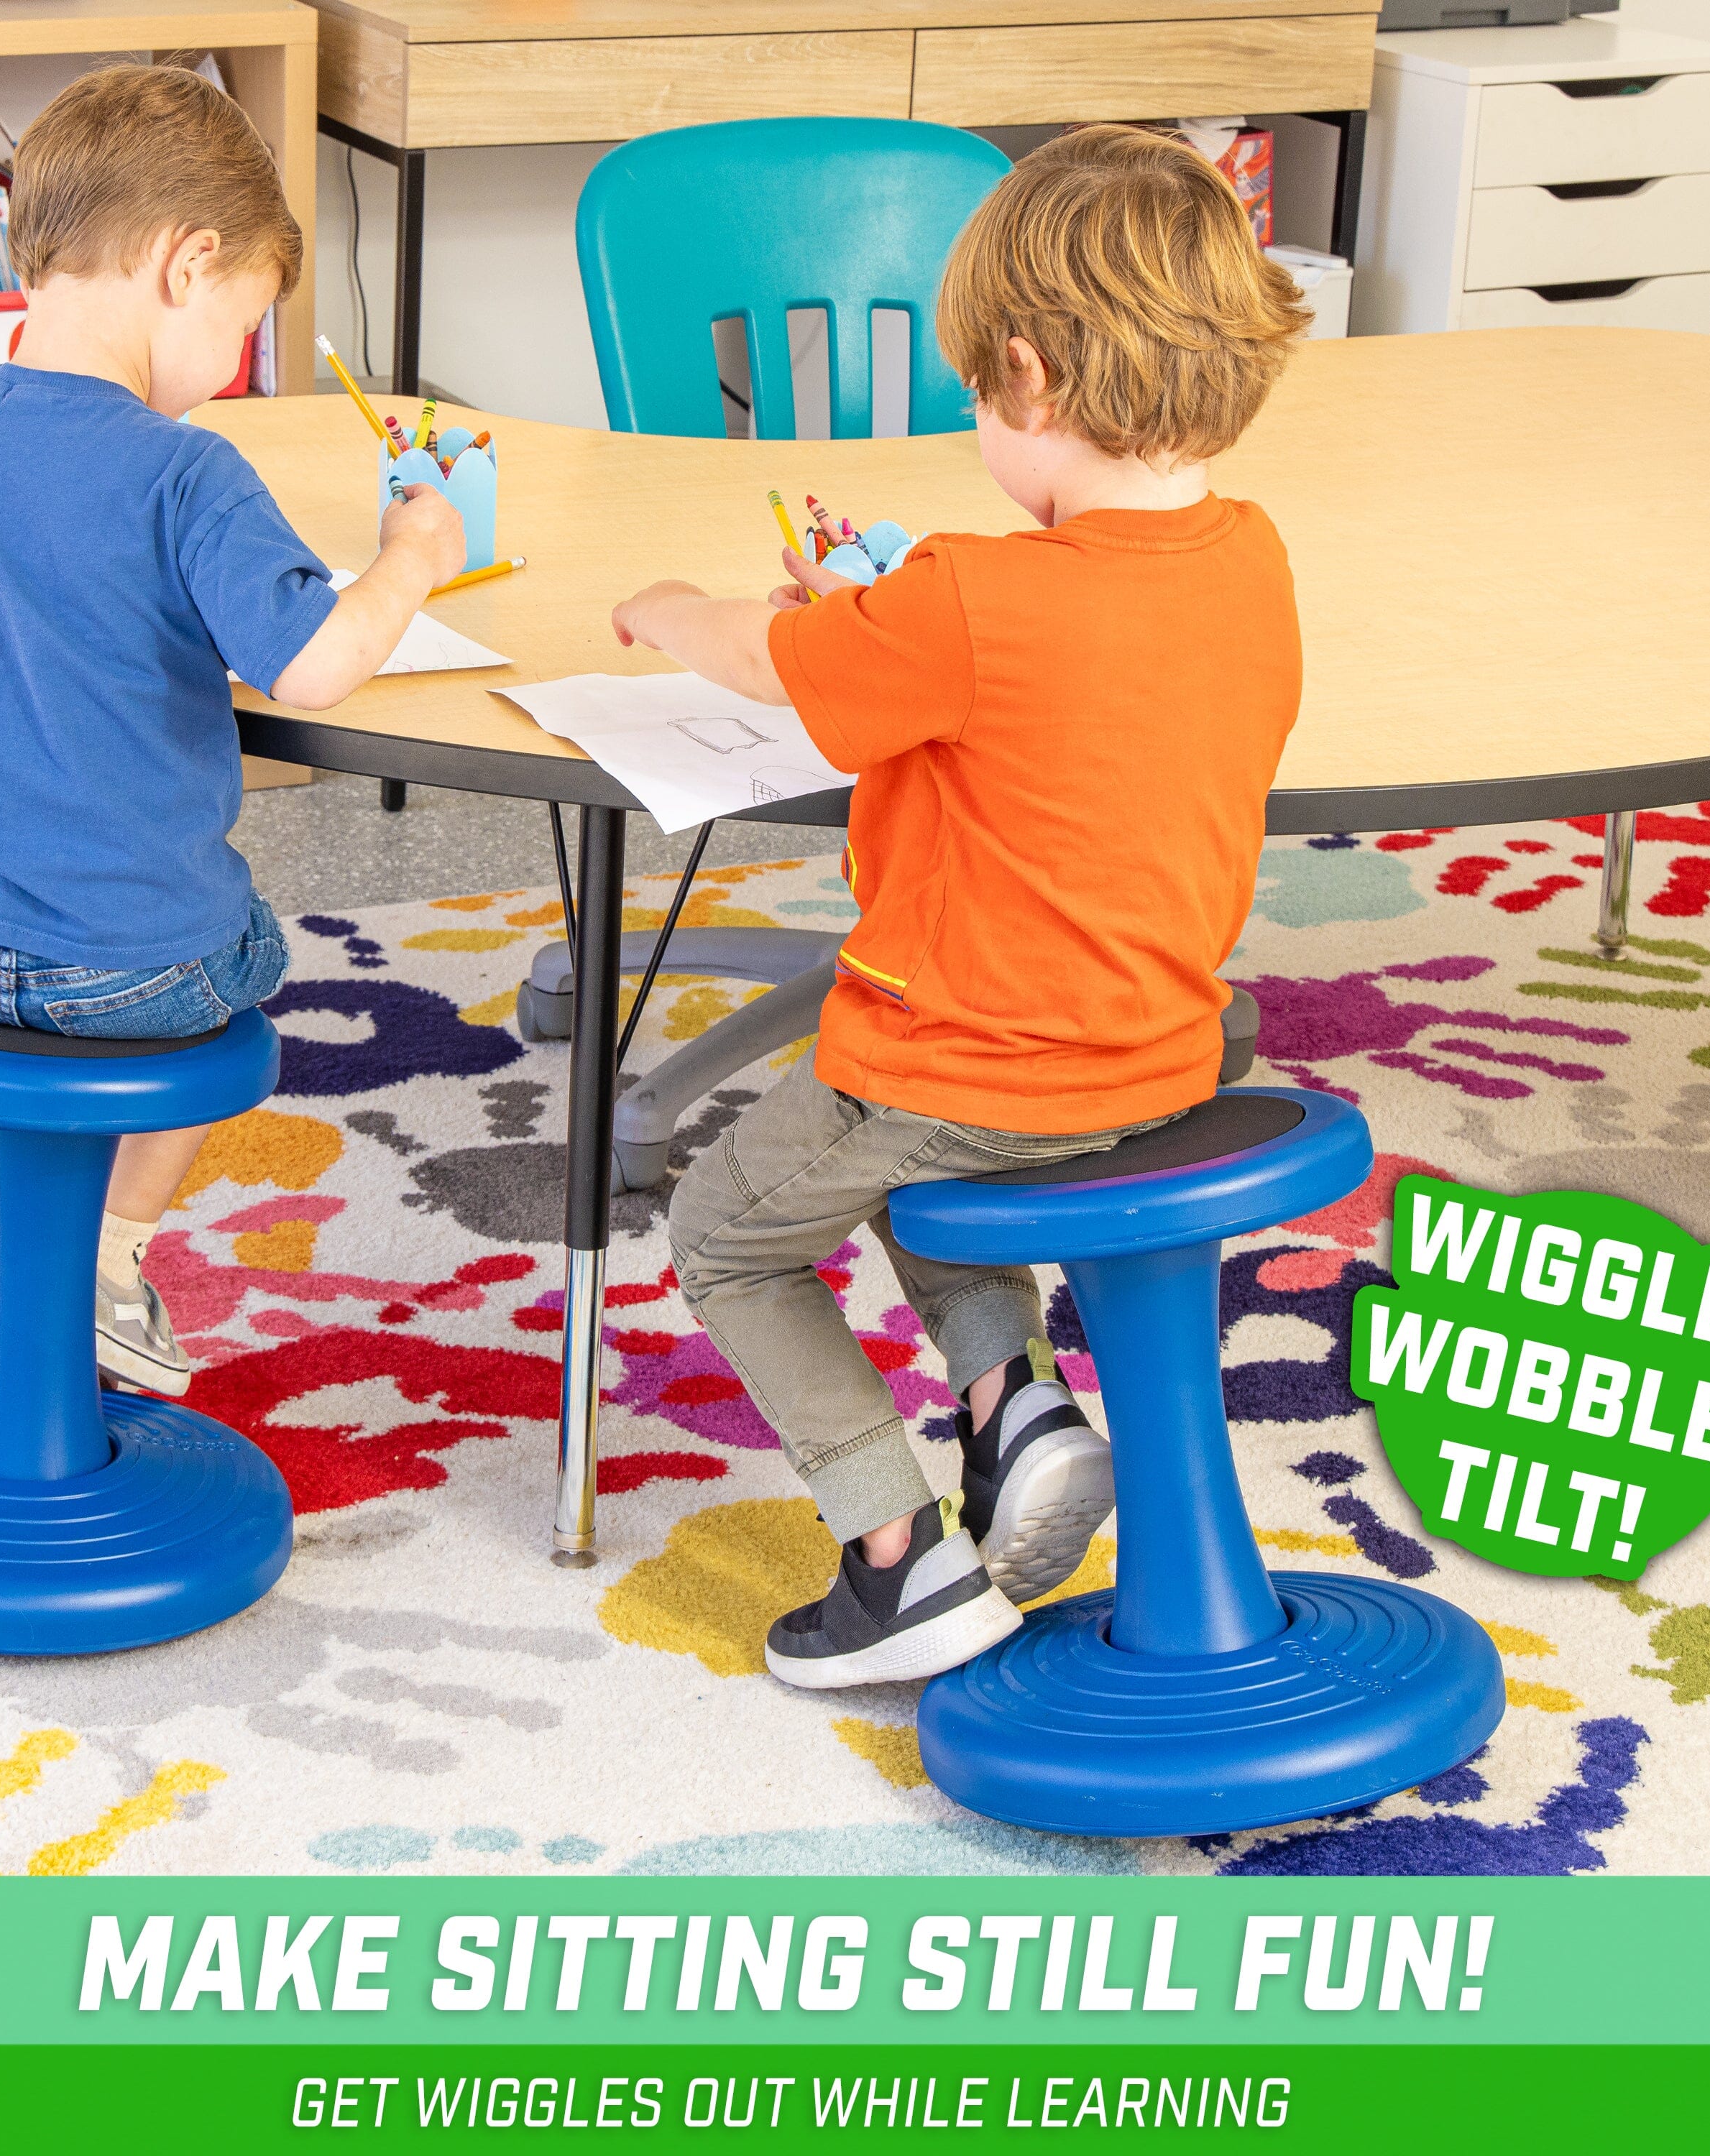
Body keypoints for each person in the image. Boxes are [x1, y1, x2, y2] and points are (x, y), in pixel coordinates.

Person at [609, 126, 1311, 1687]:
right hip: (1150, 1052)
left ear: (1027, 377)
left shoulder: (979, 597)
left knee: (731, 1234)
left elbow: (777, 659)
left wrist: (670, 611)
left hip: (960, 1061)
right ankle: (1014, 1406)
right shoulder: (1250, 557)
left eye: (975, 397)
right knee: (925, 1164)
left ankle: (896, 1556)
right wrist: (895, 609)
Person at [0, 65, 465, 1397]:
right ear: (187, 262)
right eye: (245, 329)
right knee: (250, 955)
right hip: (133, 973)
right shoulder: (187, 472)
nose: (230, 375)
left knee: (53, 944)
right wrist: (414, 556)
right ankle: (111, 1258)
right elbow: (318, 663)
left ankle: (59, 1258)